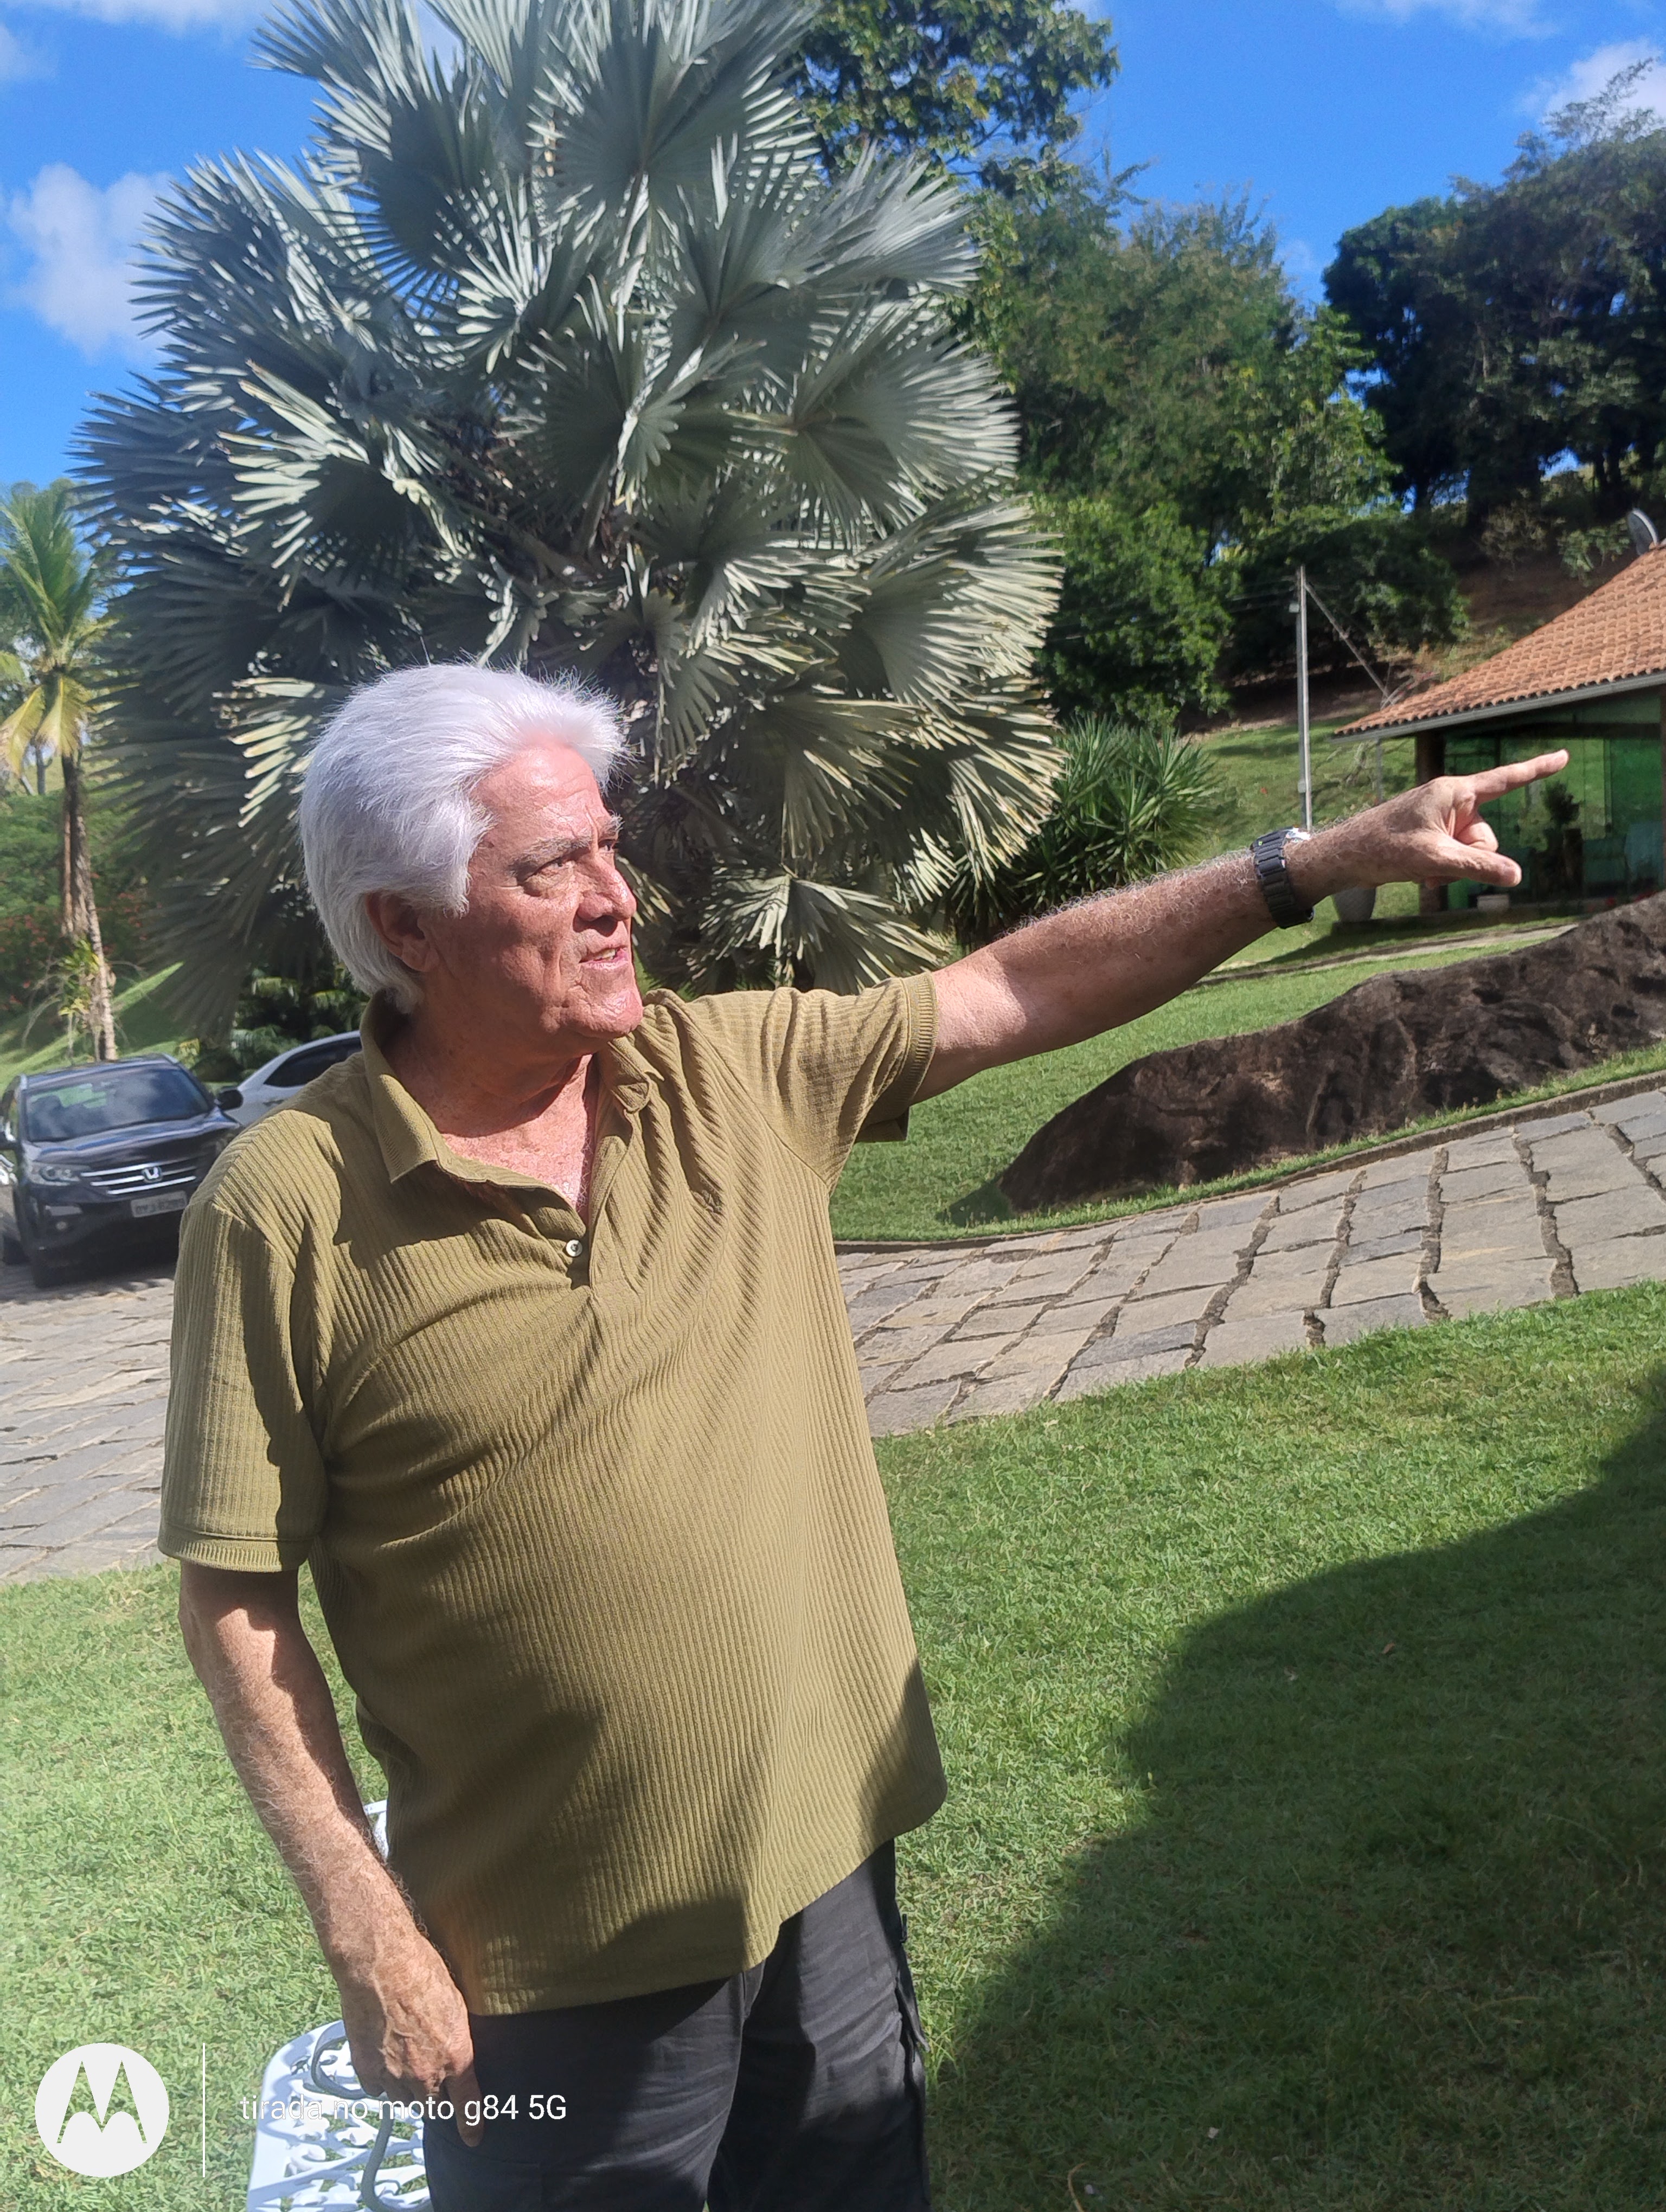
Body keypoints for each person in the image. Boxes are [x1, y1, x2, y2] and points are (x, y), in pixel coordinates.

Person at [163, 664, 1564, 2210]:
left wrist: (1307, 864)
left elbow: (1014, 990)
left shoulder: (731, 1073)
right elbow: (234, 1589)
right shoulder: (287, 1205)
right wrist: (364, 1920)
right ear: (407, 926)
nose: (618, 900)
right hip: (543, 1965)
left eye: (611, 849)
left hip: (826, 1875)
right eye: (552, 868)